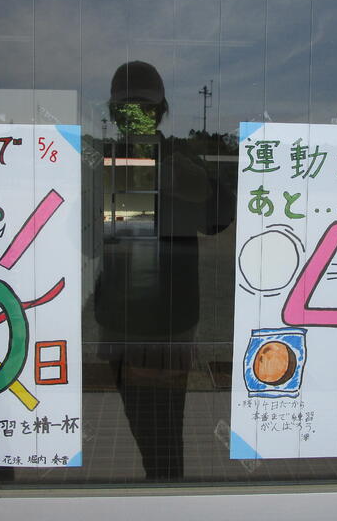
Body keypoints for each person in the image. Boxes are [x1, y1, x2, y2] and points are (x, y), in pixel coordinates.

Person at [94, 61, 232, 479]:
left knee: (161, 433)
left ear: (160, 111)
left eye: (144, 109)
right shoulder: (105, 161)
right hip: (124, 321)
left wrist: (198, 187)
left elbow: (219, 217)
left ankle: (166, 492)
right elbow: (88, 240)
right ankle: (163, 489)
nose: (135, 116)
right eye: (127, 109)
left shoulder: (178, 159)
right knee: (143, 425)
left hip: (164, 324)